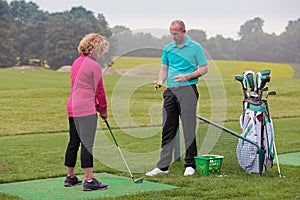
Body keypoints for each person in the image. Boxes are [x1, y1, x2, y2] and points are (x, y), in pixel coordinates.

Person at [146, 19, 208, 177]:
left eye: (176, 33)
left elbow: (204, 68)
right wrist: (160, 81)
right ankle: (163, 166)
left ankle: (190, 164)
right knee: (168, 127)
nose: (173, 36)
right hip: (170, 91)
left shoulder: (195, 47)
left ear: (184, 32)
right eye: (171, 33)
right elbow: (164, 68)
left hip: (188, 90)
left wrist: (188, 76)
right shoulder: (168, 48)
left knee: (188, 127)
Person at [64, 33, 110, 191]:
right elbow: (100, 91)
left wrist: (95, 104)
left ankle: (70, 177)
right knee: (87, 145)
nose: (102, 53)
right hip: (85, 109)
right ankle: (89, 180)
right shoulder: (94, 65)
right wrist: (103, 110)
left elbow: (82, 87)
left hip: (72, 107)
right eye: (101, 50)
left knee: (73, 142)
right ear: (96, 49)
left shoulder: (76, 62)